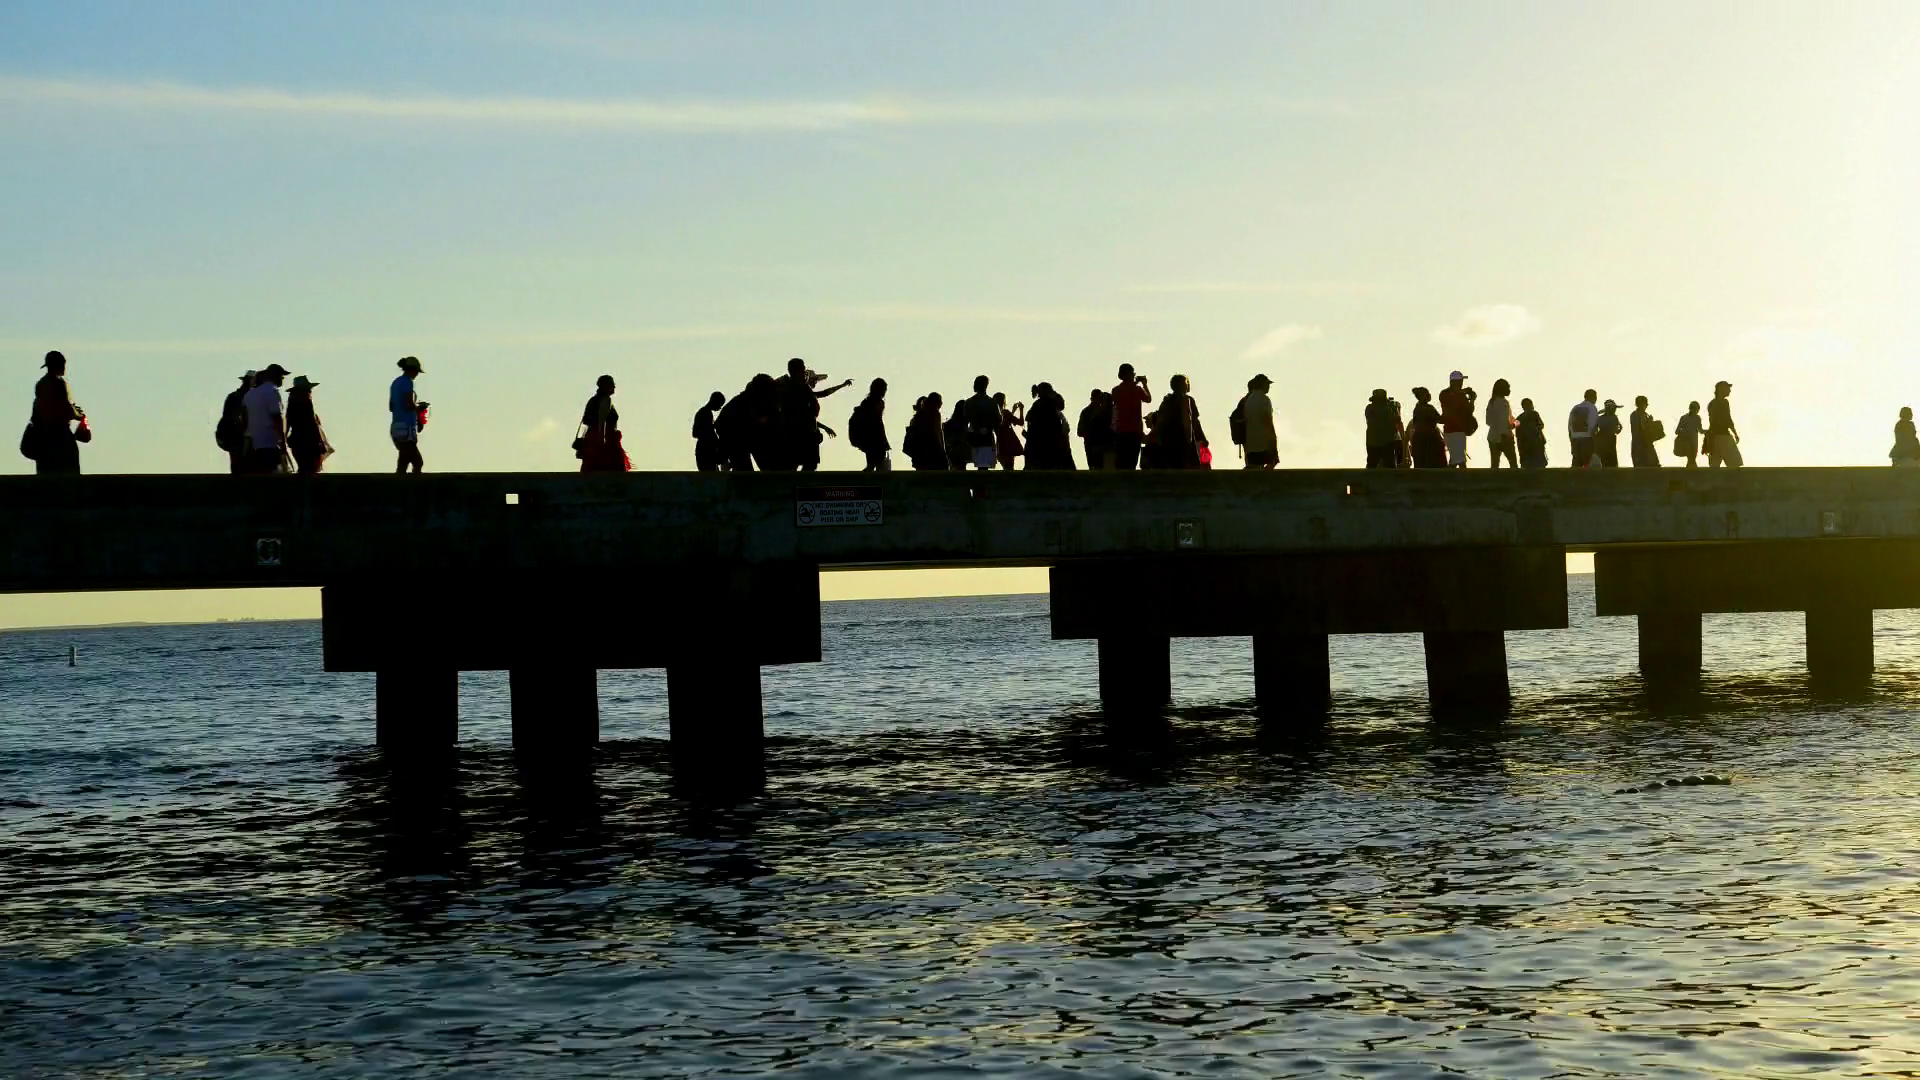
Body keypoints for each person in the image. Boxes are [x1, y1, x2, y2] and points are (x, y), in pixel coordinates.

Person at [27, 350, 85, 475]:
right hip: (61, 435)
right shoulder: (60, 384)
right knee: (69, 471)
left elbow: (37, 411)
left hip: (43, 436)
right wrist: (79, 415)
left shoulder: (40, 384)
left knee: (46, 473)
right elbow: (67, 410)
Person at [241, 364, 289, 474]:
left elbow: (244, 421)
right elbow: (276, 418)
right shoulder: (272, 392)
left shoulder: (249, 394)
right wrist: (283, 442)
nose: (282, 379)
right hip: (269, 444)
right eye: (281, 376)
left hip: (252, 446)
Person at [1153, 374, 1209, 469]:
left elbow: (1160, 420)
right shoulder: (1187, 400)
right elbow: (1194, 421)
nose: (1188, 385)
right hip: (1184, 436)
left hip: (1169, 438)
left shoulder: (1167, 401)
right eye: (1186, 382)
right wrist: (1202, 437)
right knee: (1186, 464)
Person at [577, 374, 629, 473]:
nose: (614, 387)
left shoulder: (593, 400)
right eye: (612, 384)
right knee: (612, 468)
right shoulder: (606, 400)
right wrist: (602, 441)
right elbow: (602, 421)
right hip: (605, 439)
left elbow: (586, 421)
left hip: (591, 438)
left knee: (591, 468)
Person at [1109, 364, 1152, 470]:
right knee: (1132, 459)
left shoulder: (1116, 390)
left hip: (1121, 429)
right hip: (1135, 429)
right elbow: (1148, 399)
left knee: (1122, 459)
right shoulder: (1137, 389)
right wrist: (1144, 384)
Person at [286, 375, 332, 475]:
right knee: (311, 468)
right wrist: (319, 441)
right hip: (309, 439)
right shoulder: (305, 400)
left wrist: (285, 435)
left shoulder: (291, 402)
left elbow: (288, 420)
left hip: (296, 439)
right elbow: (311, 422)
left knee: (303, 468)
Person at [1025, 383, 1074, 470]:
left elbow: (1028, 419)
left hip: (1042, 442)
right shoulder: (1048, 405)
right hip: (1049, 442)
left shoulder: (1038, 405)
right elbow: (1061, 405)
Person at [391, 356, 426, 474]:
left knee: (404, 462)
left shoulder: (395, 383)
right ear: (412, 370)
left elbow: (391, 406)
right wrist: (419, 409)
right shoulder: (407, 382)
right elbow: (409, 404)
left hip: (396, 427)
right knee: (417, 462)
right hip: (405, 428)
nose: (417, 374)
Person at [215, 371, 254, 474]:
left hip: (233, 434)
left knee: (238, 463)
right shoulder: (239, 397)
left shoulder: (234, 396)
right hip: (237, 435)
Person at [1437, 370, 1477, 469]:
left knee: (1455, 458)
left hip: (1454, 430)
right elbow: (1467, 409)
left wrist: (1470, 399)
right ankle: (1461, 478)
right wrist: (1468, 397)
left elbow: (1469, 410)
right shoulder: (1451, 395)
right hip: (1456, 431)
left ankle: (1451, 477)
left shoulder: (1446, 394)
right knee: (1460, 460)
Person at [848, 378, 889, 472]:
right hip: (872, 437)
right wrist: (882, 439)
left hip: (869, 437)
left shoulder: (868, 402)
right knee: (876, 463)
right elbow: (876, 422)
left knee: (873, 463)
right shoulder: (875, 403)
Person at [1237, 374, 1278, 469]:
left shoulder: (1247, 400)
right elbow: (1268, 422)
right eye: (1267, 384)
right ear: (1262, 385)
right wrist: (1273, 444)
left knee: (1254, 469)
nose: (1268, 387)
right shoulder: (1264, 400)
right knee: (1268, 468)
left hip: (1249, 446)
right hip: (1263, 445)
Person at [964, 376, 1000, 471]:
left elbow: (965, 420)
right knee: (983, 466)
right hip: (983, 437)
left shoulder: (970, 402)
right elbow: (997, 421)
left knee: (981, 466)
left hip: (975, 437)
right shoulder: (991, 402)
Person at [904, 392, 948, 470]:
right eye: (940, 400)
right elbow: (937, 434)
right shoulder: (935, 414)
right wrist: (942, 453)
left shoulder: (917, 416)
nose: (942, 403)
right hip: (933, 454)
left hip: (920, 455)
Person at [1407, 387, 1446, 469]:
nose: (1429, 395)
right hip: (1430, 440)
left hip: (1419, 440)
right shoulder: (1428, 408)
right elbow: (1440, 420)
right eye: (1427, 394)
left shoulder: (1417, 408)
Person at [1706, 381, 1742, 468]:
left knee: (1714, 465)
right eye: (1727, 388)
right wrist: (1735, 433)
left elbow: (1712, 420)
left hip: (1714, 436)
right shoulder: (1724, 402)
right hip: (1723, 435)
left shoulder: (1711, 403)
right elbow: (1728, 419)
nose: (1729, 390)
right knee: (1735, 464)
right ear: (1721, 389)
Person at [1484, 379, 1517, 468]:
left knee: (1494, 465)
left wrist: (1516, 422)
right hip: (1504, 437)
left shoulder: (1492, 402)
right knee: (1513, 464)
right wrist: (1514, 424)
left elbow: (1488, 421)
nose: (1509, 390)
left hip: (1493, 437)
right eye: (1508, 388)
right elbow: (1505, 422)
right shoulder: (1503, 403)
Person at [1363, 389, 1399, 468]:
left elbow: (1397, 420)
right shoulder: (1372, 409)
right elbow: (1396, 420)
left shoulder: (1370, 408)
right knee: (1379, 465)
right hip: (1380, 442)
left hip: (1379, 442)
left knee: (1373, 465)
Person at [1078, 389, 1112, 470]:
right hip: (1093, 443)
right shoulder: (1088, 412)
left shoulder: (1089, 412)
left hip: (1095, 443)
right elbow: (1080, 431)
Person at [693, 391, 726, 471]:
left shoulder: (704, 413)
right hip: (705, 451)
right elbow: (696, 433)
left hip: (705, 451)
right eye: (720, 405)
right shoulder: (705, 413)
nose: (719, 408)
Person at [1628, 395, 1663, 468]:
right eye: (1645, 404)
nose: (1646, 406)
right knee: (1641, 467)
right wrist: (1649, 422)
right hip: (1639, 445)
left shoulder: (1644, 415)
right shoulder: (1635, 415)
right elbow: (1641, 429)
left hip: (1646, 444)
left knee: (1654, 466)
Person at [993, 392, 1025, 470]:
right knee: (1009, 466)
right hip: (1009, 443)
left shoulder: (995, 414)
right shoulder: (1005, 413)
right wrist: (1021, 410)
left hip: (1000, 444)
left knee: (1006, 466)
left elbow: (1006, 422)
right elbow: (1020, 422)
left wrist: (1012, 412)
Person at [1567, 389, 1598, 468]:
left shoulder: (1575, 408)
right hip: (1587, 438)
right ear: (1593, 397)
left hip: (1575, 438)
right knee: (1587, 463)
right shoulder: (1592, 407)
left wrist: (1571, 440)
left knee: (1576, 463)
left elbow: (1570, 425)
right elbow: (1593, 425)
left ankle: (1574, 476)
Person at [1516, 398, 1548, 469]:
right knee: (1539, 465)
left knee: (1527, 466)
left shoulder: (1519, 418)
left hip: (1525, 446)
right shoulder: (1534, 414)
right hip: (1536, 443)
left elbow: (1517, 432)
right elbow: (1541, 425)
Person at [1673, 401, 1703, 468]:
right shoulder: (1685, 418)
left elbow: (1700, 430)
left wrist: (1708, 431)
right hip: (1687, 443)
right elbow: (1677, 431)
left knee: (1691, 461)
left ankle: (1689, 472)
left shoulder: (1697, 418)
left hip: (1693, 443)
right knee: (1691, 460)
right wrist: (1685, 433)